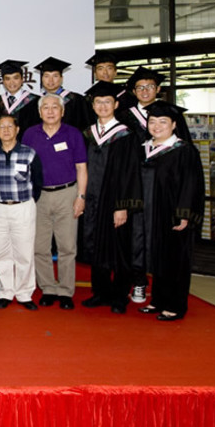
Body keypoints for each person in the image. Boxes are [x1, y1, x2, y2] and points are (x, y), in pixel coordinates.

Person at [118, 65, 191, 304]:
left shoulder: (180, 143)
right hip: (141, 199)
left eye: (150, 86)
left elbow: (188, 177)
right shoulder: (126, 118)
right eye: (140, 87)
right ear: (133, 90)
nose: (145, 91)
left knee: (167, 249)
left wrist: (183, 211)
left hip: (165, 202)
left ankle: (170, 299)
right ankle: (142, 286)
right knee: (137, 243)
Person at [138, 102, 204, 322]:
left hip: (172, 214)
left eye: (163, 122)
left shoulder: (184, 150)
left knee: (175, 259)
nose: (156, 126)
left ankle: (175, 305)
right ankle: (158, 299)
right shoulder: (144, 148)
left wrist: (183, 213)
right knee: (158, 257)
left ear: (174, 124)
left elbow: (190, 185)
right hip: (149, 213)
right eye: (153, 121)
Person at [80, 82, 142, 314]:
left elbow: (130, 174)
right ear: (93, 105)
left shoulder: (125, 135)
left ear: (116, 104)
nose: (103, 106)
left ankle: (119, 295)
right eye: (98, 102)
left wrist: (122, 206)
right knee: (96, 246)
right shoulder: (88, 133)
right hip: (93, 200)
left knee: (119, 248)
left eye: (107, 102)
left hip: (115, 202)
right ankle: (100, 292)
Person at [21, 94, 87, 310]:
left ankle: (66, 291)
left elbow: (81, 168)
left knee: (67, 246)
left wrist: (81, 196)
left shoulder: (73, 134)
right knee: (40, 246)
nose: (50, 111)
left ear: (62, 111)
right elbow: (24, 167)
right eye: (46, 108)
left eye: (54, 107)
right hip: (39, 196)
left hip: (67, 193)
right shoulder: (30, 134)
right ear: (40, 112)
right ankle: (48, 287)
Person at [0, 114, 43, 310]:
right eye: (1, 127)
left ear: (17, 129)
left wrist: (25, 202)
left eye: (9, 126)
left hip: (23, 207)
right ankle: (5, 291)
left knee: (24, 252)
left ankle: (24, 293)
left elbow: (38, 182)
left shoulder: (29, 153)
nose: (5, 130)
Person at [35, 57, 92, 132]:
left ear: (61, 78)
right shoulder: (36, 101)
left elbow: (85, 126)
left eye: (55, 76)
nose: (50, 80)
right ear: (42, 79)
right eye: (46, 76)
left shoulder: (76, 100)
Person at [0, 59, 40, 134]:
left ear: (22, 79)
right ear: (3, 82)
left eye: (16, 78)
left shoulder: (34, 101)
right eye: (7, 79)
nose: (12, 82)